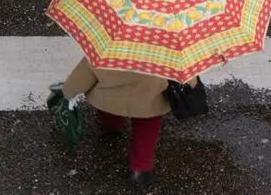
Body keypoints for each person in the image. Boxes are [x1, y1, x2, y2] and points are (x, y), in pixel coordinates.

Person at [61, 57, 196, 185]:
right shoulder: (167, 48)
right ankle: (140, 169)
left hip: (110, 96)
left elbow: (84, 72)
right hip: (149, 99)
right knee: (146, 132)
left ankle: (111, 128)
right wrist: (192, 84)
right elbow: (186, 73)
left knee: (109, 111)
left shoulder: (110, 46)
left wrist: (68, 92)